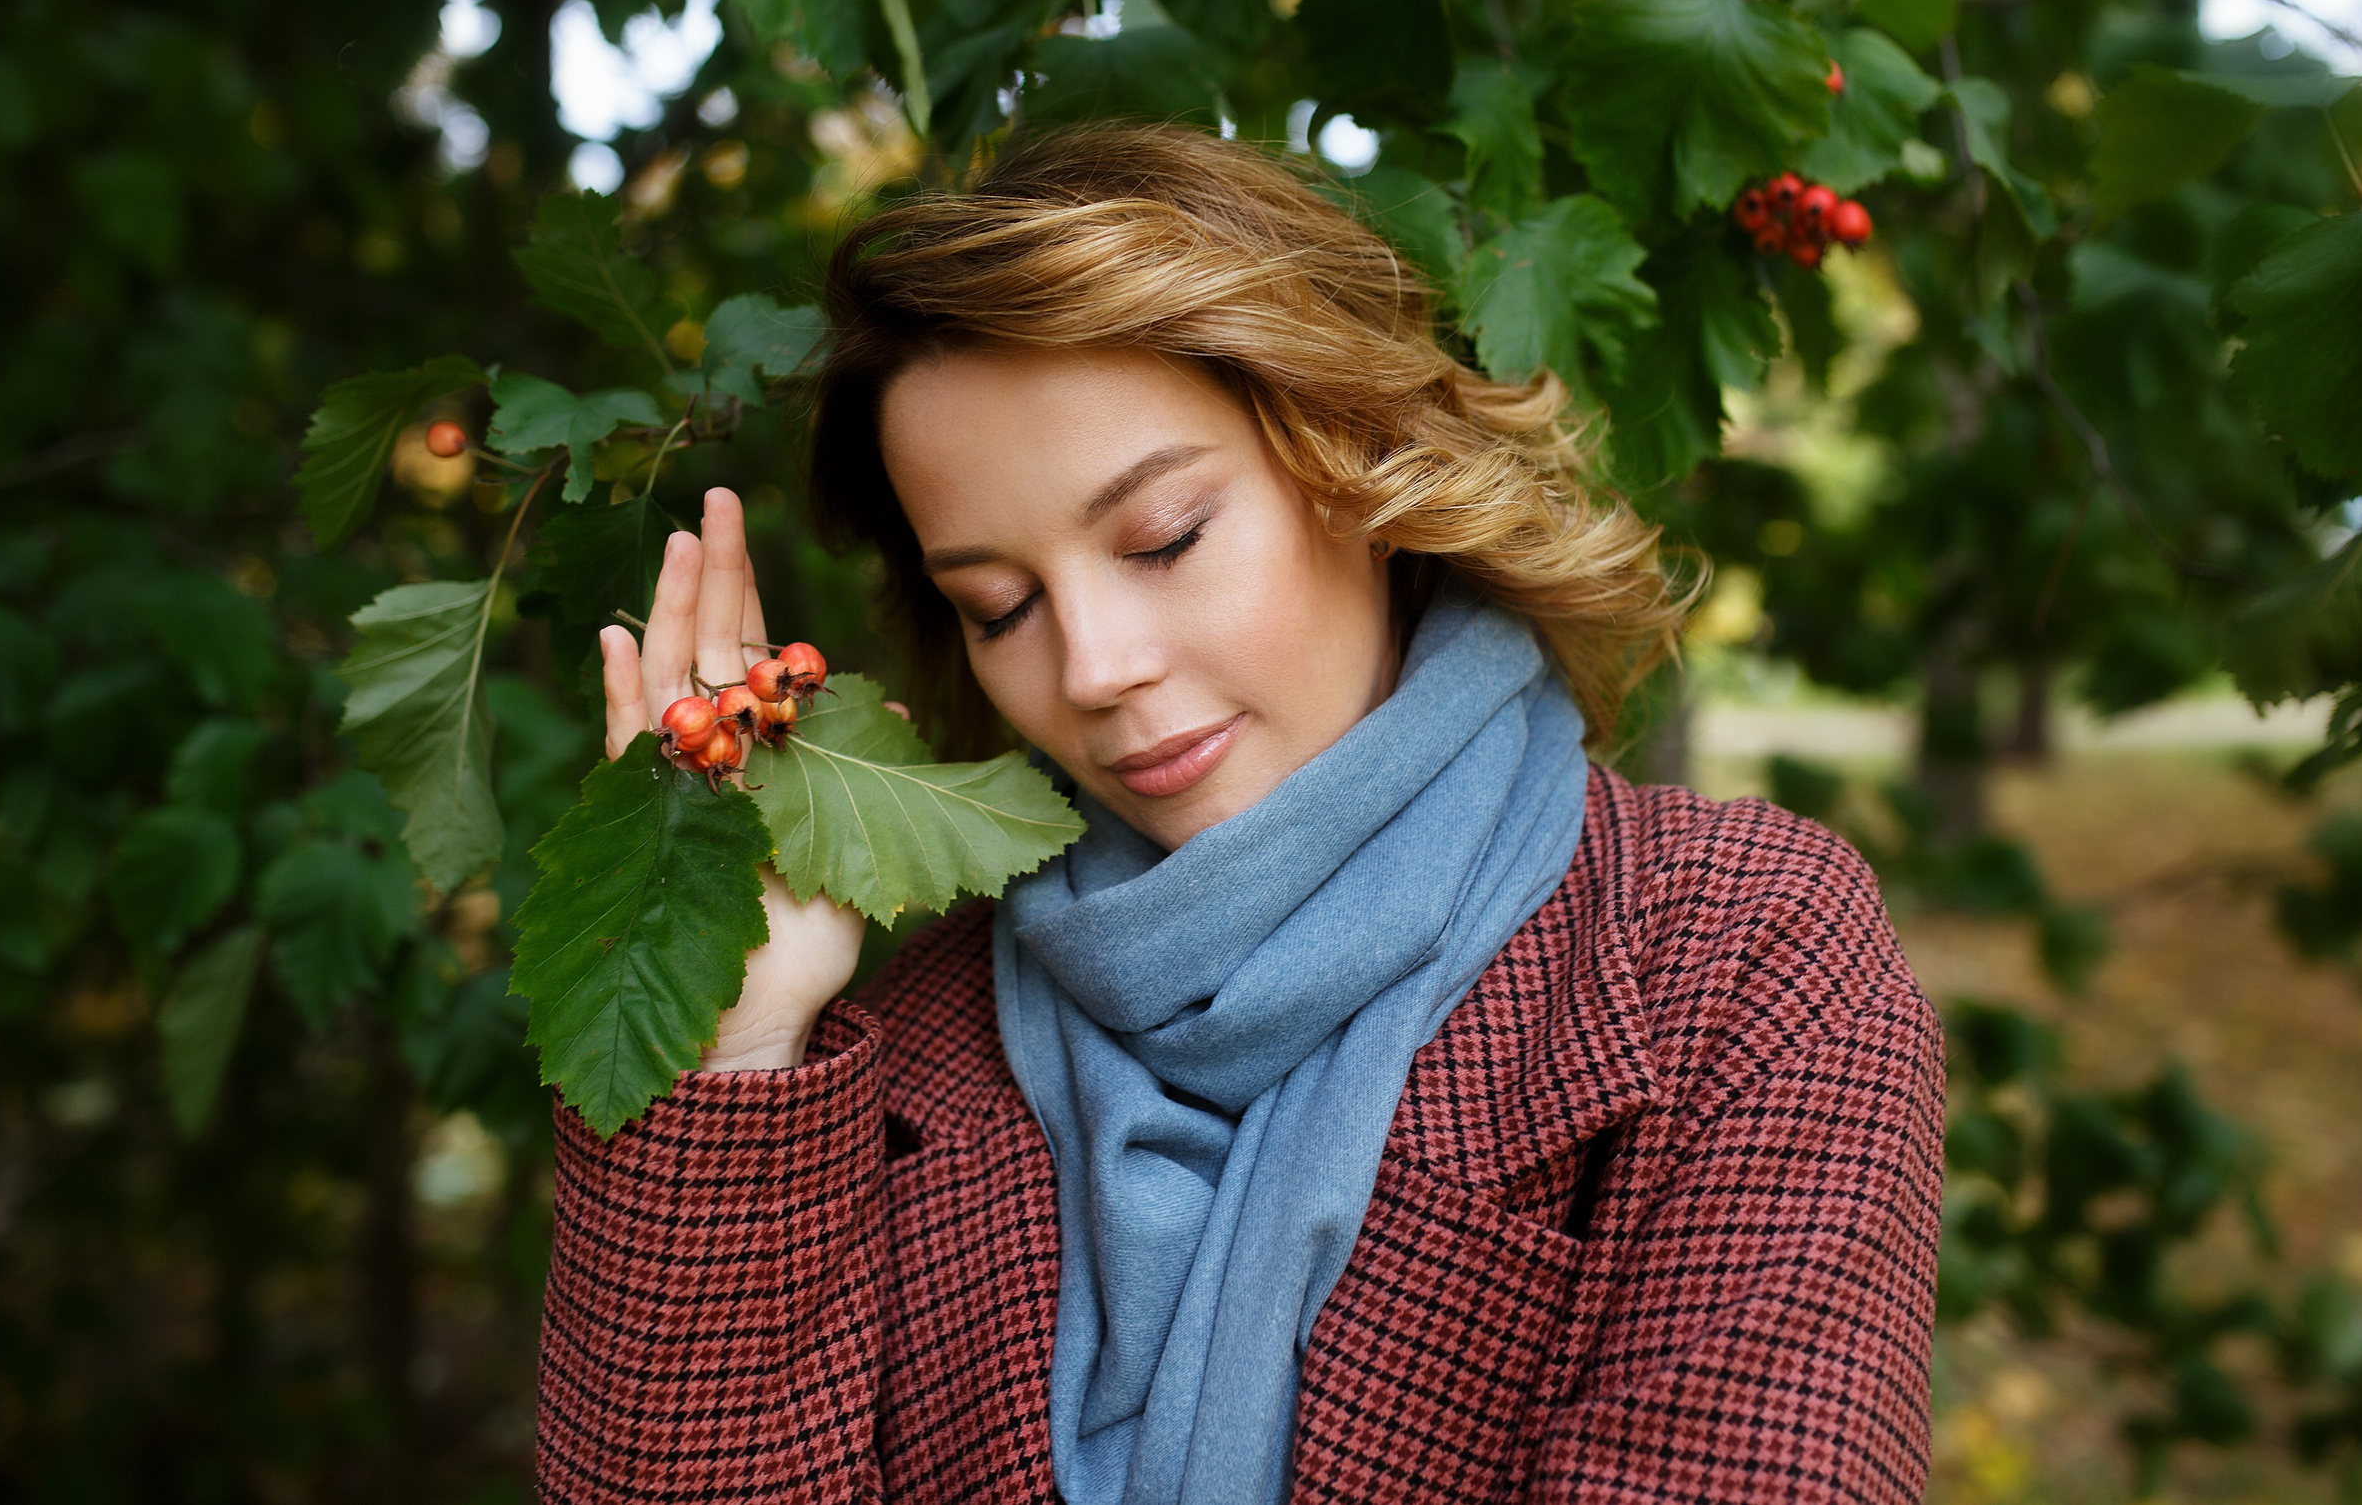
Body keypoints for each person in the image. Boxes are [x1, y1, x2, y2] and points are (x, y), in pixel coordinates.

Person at [535, 123, 1943, 1504]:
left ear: (1361, 461)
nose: (1092, 668)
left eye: (1164, 539)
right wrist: (735, 1047)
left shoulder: (1739, 959)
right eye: (999, 607)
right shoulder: (912, 1041)